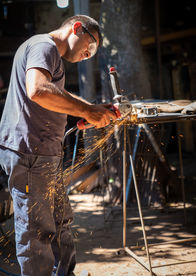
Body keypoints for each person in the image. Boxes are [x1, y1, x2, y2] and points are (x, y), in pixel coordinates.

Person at [0, 15, 117, 276]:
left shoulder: (51, 55)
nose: (89, 53)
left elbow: (53, 94)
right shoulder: (45, 46)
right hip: (29, 153)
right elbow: (38, 90)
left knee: (59, 224)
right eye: (92, 45)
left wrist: (85, 112)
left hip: (42, 155)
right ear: (77, 28)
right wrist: (86, 109)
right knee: (37, 232)